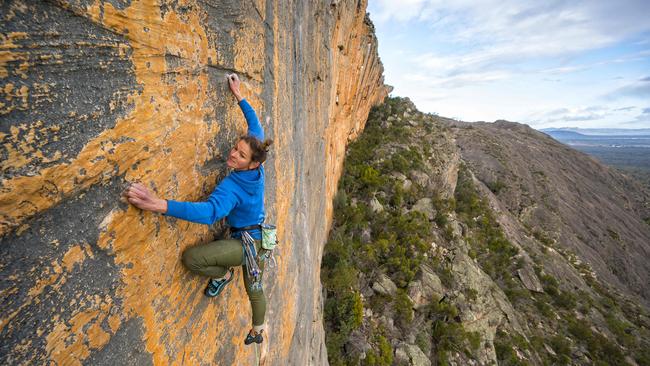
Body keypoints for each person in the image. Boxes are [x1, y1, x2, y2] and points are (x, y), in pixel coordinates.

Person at [124, 73, 272, 345]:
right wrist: (238, 94)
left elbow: (208, 213)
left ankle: (233, 289)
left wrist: (157, 204)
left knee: (193, 259)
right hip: (262, 239)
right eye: (235, 148)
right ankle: (256, 324)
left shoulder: (233, 188)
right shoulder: (258, 154)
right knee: (255, 289)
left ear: (252, 163)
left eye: (240, 155)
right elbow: (254, 122)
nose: (233, 154)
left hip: (247, 244)